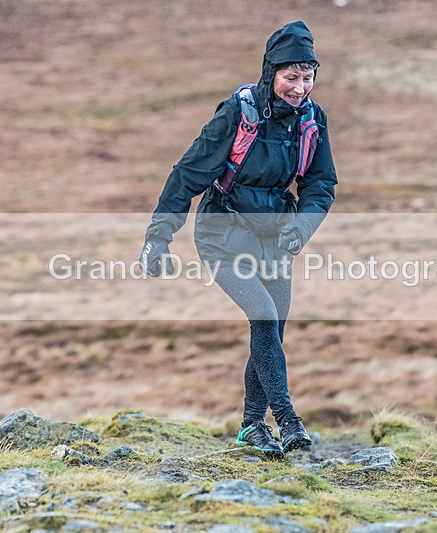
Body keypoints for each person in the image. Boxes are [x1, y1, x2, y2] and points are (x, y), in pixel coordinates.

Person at [140, 21, 337, 458]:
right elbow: (187, 174)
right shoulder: (239, 113)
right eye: (291, 77)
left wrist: (300, 227)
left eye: (308, 77)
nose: (300, 88)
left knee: (272, 331)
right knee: (264, 317)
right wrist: (159, 236)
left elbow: (321, 185)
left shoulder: (312, 119)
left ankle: (251, 427)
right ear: (271, 73)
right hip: (223, 234)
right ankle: (288, 421)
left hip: (274, 239)